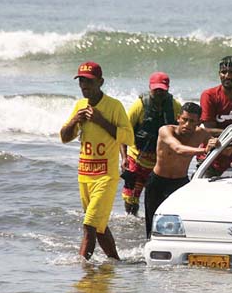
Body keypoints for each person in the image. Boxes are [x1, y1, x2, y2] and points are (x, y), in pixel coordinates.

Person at [60, 61, 134, 261]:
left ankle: (82, 269)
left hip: (105, 176)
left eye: (89, 81)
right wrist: (75, 120)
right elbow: (64, 138)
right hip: (84, 175)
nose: (85, 85)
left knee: (89, 225)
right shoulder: (79, 106)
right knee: (99, 227)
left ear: (100, 82)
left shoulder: (114, 106)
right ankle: (116, 262)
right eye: (81, 80)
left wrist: (101, 121)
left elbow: (129, 138)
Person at [145, 102, 217, 237]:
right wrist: (204, 149)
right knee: (153, 225)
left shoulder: (201, 134)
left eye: (192, 121)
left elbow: (223, 150)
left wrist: (216, 143)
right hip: (158, 183)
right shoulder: (165, 130)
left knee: (181, 225)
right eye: (185, 120)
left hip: (180, 183)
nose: (187, 125)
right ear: (178, 118)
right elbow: (178, 149)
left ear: (199, 122)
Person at [121, 72, 181, 216]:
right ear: (150, 87)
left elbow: (182, 132)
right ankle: (131, 225)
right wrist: (123, 158)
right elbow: (124, 133)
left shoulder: (175, 106)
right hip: (136, 159)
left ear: (168, 88)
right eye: (156, 89)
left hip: (161, 163)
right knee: (131, 200)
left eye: (162, 89)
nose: (159, 93)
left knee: (158, 200)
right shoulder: (139, 105)